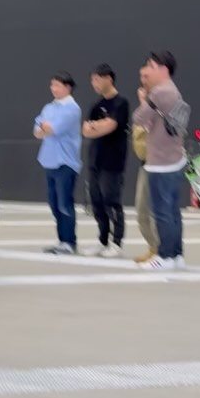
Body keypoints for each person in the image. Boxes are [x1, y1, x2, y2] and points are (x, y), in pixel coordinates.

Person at [132, 50, 187, 271]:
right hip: (175, 159)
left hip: (160, 162)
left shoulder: (160, 92)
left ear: (164, 69)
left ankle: (164, 256)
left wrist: (143, 100)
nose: (147, 70)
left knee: (161, 212)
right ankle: (176, 255)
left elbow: (138, 118)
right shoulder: (174, 91)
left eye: (151, 66)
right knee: (172, 212)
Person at [82, 64, 129, 257]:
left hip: (112, 162)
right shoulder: (96, 106)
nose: (94, 84)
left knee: (112, 201)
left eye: (97, 79)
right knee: (97, 202)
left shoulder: (121, 103)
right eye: (92, 80)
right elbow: (86, 130)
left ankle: (117, 242)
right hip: (95, 160)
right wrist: (98, 126)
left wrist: (97, 126)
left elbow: (111, 126)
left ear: (108, 78)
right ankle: (102, 240)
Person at [34, 72, 82, 255]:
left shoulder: (72, 108)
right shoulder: (49, 107)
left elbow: (53, 128)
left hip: (65, 162)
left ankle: (69, 241)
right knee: (54, 203)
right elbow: (37, 130)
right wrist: (44, 127)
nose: (53, 89)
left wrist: (45, 127)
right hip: (49, 160)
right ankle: (62, 240)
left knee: (64, 203)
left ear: (68, 87)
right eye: (52, 85)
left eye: (57, 85)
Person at [132, 65, 160, 263]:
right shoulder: (145, 106)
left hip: (158, 163)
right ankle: (153, 247)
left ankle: (161, 250)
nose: (142, 80)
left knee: (155, 211)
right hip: (144, 163)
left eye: (146, 76)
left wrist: (144, 103)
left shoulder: (161, 102)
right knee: (141, 209)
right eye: (141, 76)